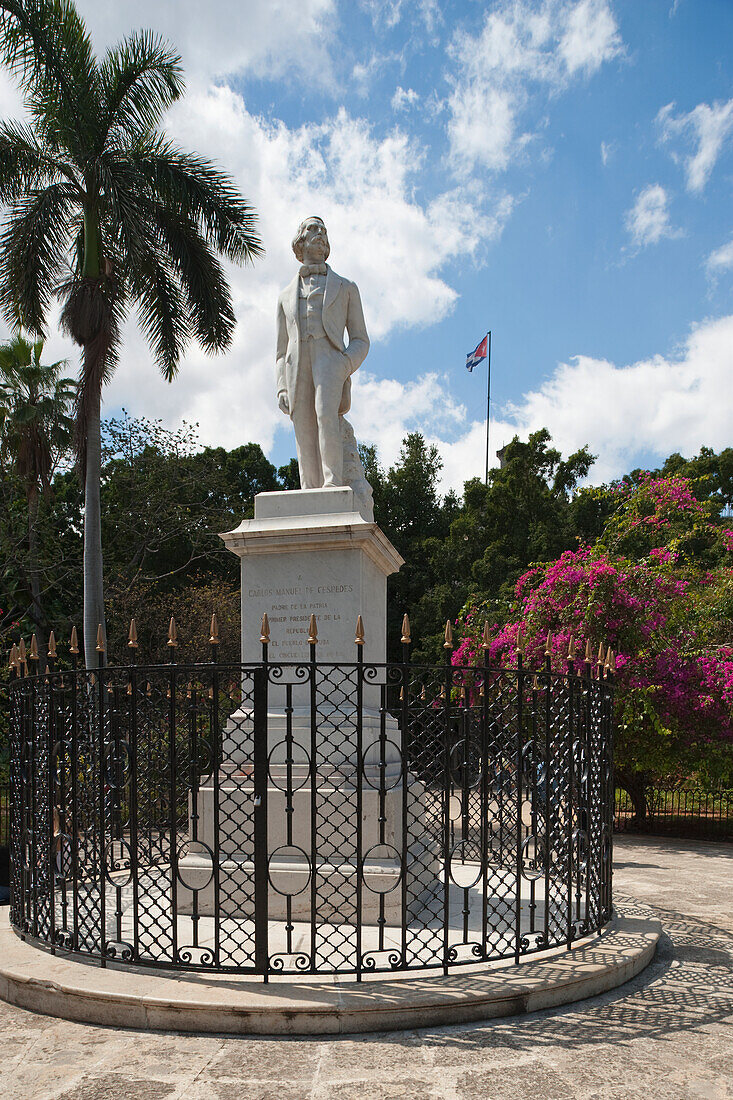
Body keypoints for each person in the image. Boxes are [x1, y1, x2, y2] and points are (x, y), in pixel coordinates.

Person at [276, 216, 370, 490]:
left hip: (330, 359)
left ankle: (332, 483)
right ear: (300, 242)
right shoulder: (284, 295)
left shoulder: (346, 287)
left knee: (325, 415)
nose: (320, 234)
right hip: (297, 363)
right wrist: (281, 386)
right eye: (313, 229)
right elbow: (280, 350)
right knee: (303, 423)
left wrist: (345, 363)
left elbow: (361, 339)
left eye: (324, 231)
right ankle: (309, 488)